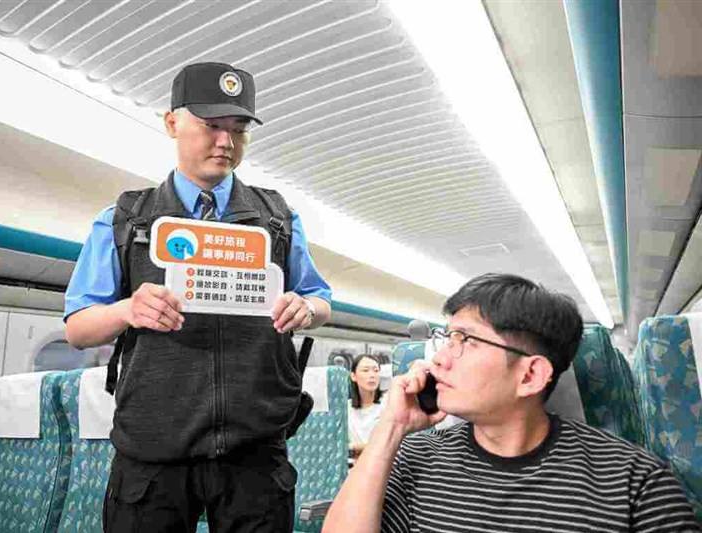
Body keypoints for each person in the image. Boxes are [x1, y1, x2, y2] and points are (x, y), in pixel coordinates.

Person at [64, 62, 332, 533]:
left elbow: (320, 298)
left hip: (255, 450)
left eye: (239, 129)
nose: (226, 143)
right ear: (172, 123)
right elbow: (77, 327)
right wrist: (128, 309)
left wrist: (306, 309)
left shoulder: (278, 219)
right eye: (211, 126)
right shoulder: (126, 220)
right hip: (153, 450)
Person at [323, 273, 698, 532]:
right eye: (446, 338)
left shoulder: (634, 482)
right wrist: (391, 429)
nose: (438, 359)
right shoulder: (418, 457)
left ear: (531, 375)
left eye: (465, 340)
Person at [348, 354, 385, 459]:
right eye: (365, 370)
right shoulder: (345, 408)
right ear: (353, 376)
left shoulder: (387, 405)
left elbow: (387, 445)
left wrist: (354, 448)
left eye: (376, 370)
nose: (372, 375)